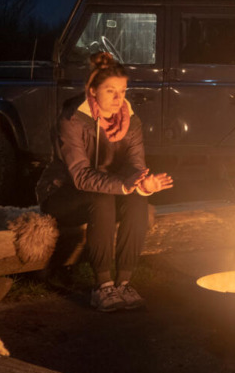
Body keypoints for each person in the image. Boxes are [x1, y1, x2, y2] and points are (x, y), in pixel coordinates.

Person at [36, 52, 173, 312]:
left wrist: (143, 184)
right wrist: (123, 184)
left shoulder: (130, 121)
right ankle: (103, 286)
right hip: (63, 193)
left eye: (122, 90)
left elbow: (135, 164)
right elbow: (80, 175)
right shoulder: (72, 120)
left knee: (136, 202)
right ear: (93, 90)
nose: (118, 98)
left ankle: (123, 282)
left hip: (109, 190)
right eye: (110, 90)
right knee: (102, 199)